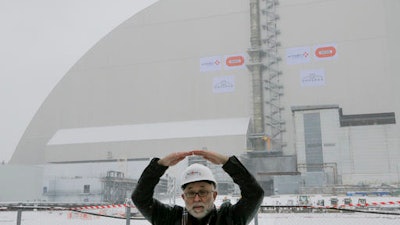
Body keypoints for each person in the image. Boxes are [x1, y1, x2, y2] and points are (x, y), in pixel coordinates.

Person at [131, 150, 264, 225]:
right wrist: (159, 166)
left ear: (214, 195)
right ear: (183, 197)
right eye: (190, 193)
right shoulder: (170, 220)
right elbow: (140, 198)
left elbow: (254, 194)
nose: (196, 198)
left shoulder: (230, 219)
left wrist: (227, 162)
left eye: (203, 192)